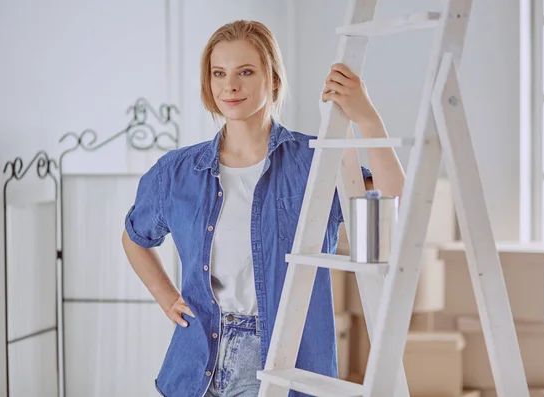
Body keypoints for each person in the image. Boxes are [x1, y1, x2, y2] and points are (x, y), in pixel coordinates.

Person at [122, 19, 405, 397]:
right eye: (218, 73)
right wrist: (166, 295)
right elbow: (135, 238)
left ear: (272, 78)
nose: (229, 86)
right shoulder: (176, 172)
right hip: (195, 362)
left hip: (282, 361)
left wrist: (367, 118)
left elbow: (396, 196)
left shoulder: (315, 161)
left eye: (245, 72)